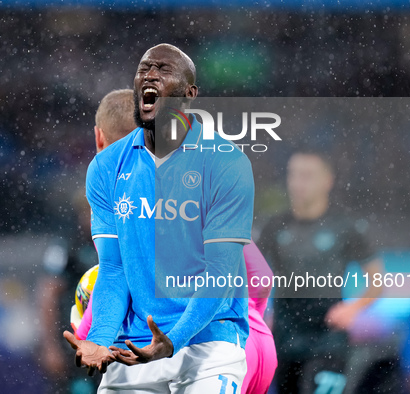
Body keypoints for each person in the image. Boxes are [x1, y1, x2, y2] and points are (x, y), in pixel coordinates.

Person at [64, 43, 254, 392]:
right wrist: (102, 339)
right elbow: (115, 268)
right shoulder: (106, 168)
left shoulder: (226, 163)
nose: (150, 74)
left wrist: (173, 340)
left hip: (209, 341)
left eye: (163, 70)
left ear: (189, 94)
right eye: (144, 68)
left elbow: (220, 274)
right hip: (135, 345)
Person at [258, 147, 384, 394]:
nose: (297, 182)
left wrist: (352, 308)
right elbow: (251, 278)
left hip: (329, 343)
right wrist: (260, 316)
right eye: (293, 174)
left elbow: (377, 282)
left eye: (307, 175)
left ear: (327, 181)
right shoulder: (274, 227)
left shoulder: (345, 227)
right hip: (284, 343)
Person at [38, 89, 136, 393]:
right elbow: (48, 294)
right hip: (80, 345)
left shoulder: (132, 222)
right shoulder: (69, 242)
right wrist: (50, 346)